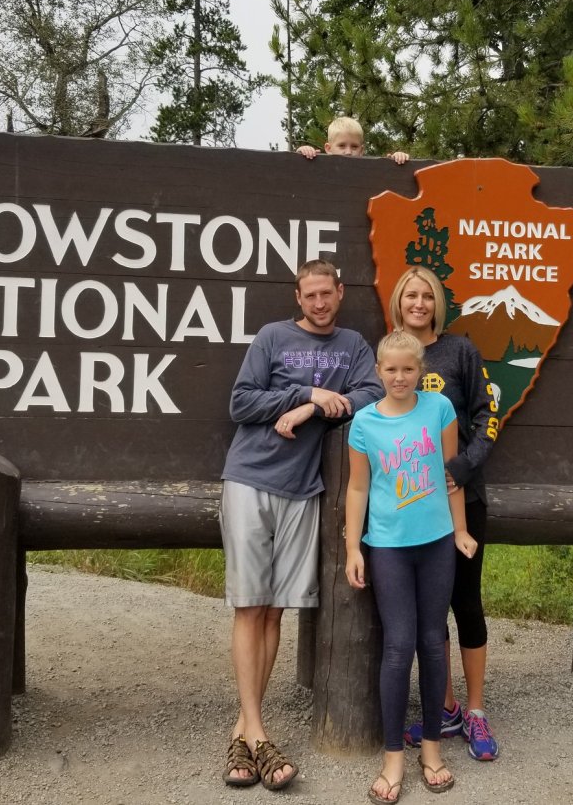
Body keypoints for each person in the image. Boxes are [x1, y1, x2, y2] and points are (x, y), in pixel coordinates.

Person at [220, 258, 384, 791]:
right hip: (250, 479)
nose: (318, 303)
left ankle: (244, 732)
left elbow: (372, 394)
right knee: (250, 606)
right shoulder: (272, 336)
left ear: (341, 291)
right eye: (309, 295)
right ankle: (259, 733)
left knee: (274, 612)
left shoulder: (354, 345)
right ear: (299, 296)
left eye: (326, 293)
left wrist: (313, 413)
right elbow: (241, 402)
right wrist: (306, 395)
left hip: (303, 489)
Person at [346, 330, 477, 803]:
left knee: (433, 643)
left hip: (438, 542)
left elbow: (451, 475)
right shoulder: (363, 423)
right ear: (378, 372)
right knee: (398, 647)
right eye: (391, 369)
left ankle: (431, 750)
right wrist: (353, 548)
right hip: (388, 547)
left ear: (421, 371)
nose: (399, 377)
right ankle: (392, 758)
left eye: (408, 369)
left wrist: (460, 530)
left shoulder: (439, 410)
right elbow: (358, 488)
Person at [390, 266, 501, 762]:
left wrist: (463, 464)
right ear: (399, 301)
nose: (419, 303)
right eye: (410, 295)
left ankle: (476, 712)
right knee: (427, 613)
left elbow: (487, 416)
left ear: (438, 303)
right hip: (411, 507)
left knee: (466, 603)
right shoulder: (390, 353)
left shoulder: (461, 351)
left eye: (427, 295)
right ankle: (448, 706)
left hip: (463, 499)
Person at [295, 115, 410, 165]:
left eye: (354, 146)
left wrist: (397, 160)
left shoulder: (368, 171)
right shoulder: (320, 169)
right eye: (342, 146)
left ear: (361, 150)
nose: (348, 152)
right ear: (328, 148)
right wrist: (301, 153)